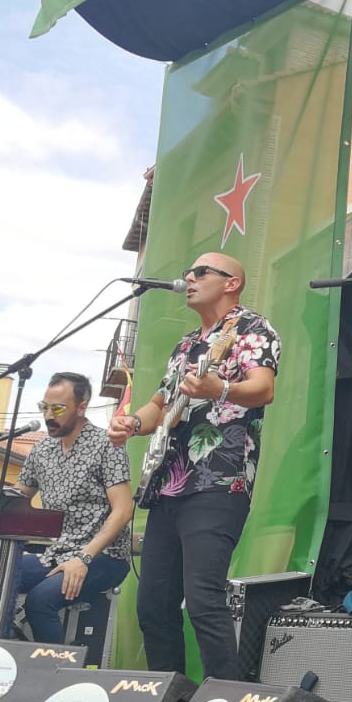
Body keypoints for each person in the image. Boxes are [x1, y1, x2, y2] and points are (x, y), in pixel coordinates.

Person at [108, 253, 279, 680]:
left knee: (203, 598)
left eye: (201, 272)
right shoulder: (185, 345)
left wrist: (218, 387)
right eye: (189, 271)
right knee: (153, 604)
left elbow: (262, 389)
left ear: (231, 283)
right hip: (169, 483)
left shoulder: (251, 329)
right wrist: (131, 423)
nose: (189, 277)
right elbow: (159, 406)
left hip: (219, 482)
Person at [11, 372, 133, 642]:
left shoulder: (106, 445)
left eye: (58, 408)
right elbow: (17, 499)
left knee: (39, 602)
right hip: (55, 553)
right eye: (45, 407)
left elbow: (123, 510)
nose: (49, 416)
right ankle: (9, 655)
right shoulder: (42, 449)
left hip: (104, 556)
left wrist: (83, 558)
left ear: (82, 406)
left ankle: (56, 676)